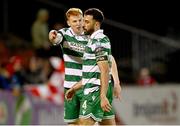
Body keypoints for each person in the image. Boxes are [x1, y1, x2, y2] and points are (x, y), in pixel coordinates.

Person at [49, 8, 121, 125]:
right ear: (68, 23)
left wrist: (106, 92)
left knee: (83, 123)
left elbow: (105, 69)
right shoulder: (93, 39)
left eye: (84, 21)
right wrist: (73, 88)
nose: (81, 24)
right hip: (80, 85)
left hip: (93, 89)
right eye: (75, 21)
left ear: (95, 23)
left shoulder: (96, 41)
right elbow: (55, 37)